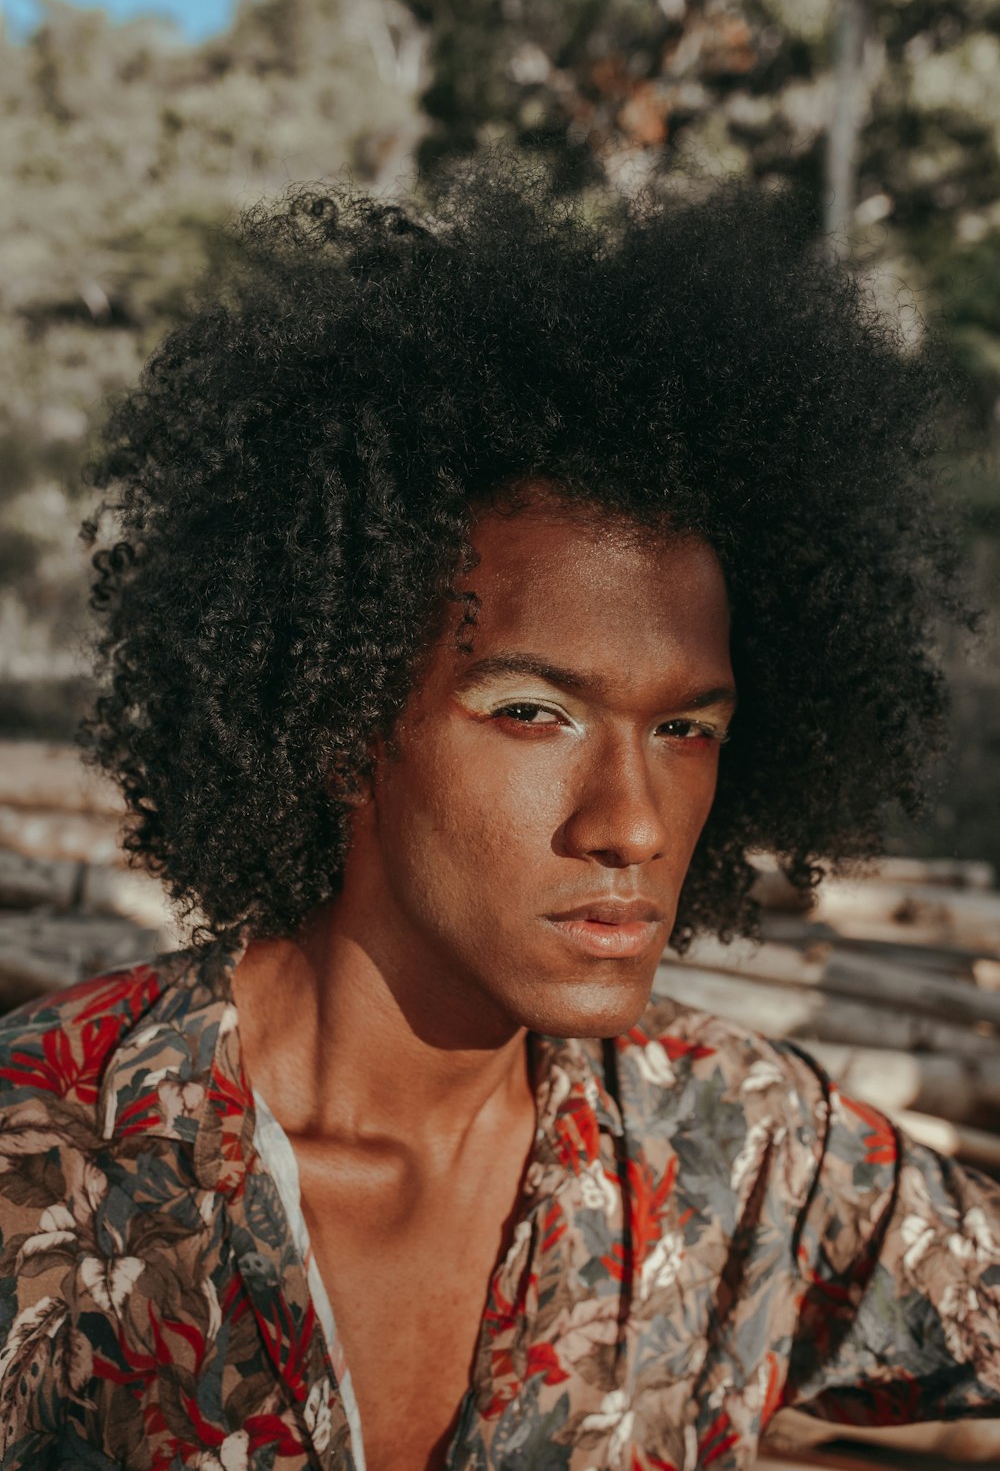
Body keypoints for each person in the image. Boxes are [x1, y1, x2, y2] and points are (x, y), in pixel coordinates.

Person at [0, 158, 997, 1471]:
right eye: (534, 712)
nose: (631, 823)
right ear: (341, 715)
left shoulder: (746, 1153)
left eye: (688, 728)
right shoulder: (47, 1171)